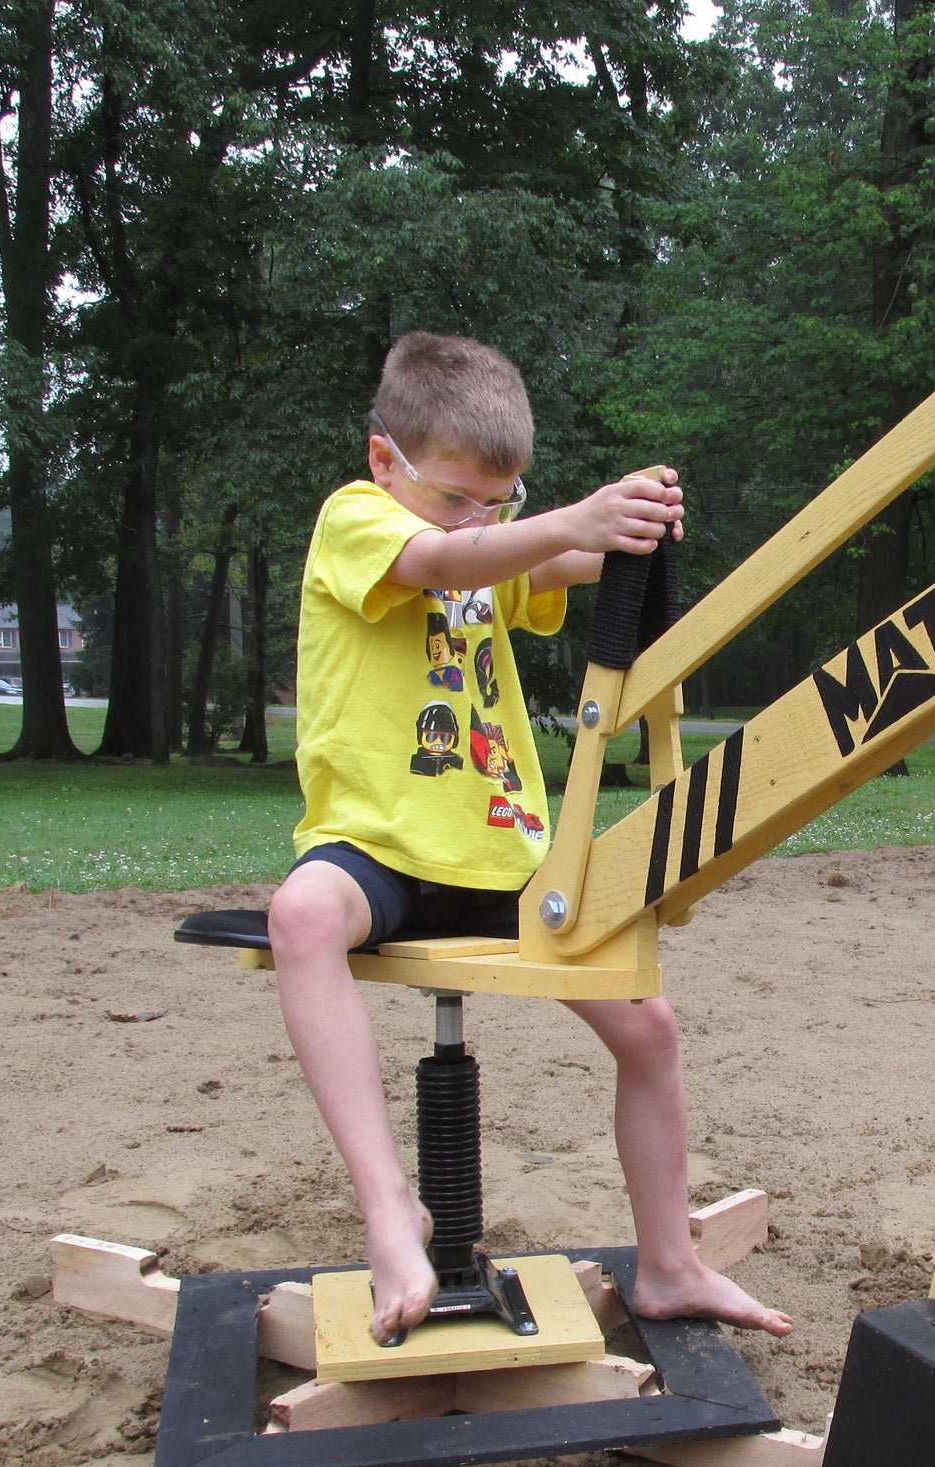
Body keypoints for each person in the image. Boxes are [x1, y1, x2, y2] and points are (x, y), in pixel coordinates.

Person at [265, 331, 792, 1346]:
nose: (481, 520)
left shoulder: (491, 544)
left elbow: (569, 558)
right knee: (301, 913)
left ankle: (671, 1264)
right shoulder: (359, 519)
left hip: (508, 865)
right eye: (460, 495)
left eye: (499, 501)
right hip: (379, 854)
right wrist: (556, 520)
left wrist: (637, 525)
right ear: (387, 460)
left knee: (651, 1030)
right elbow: (439, 558)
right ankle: (390, 1210)